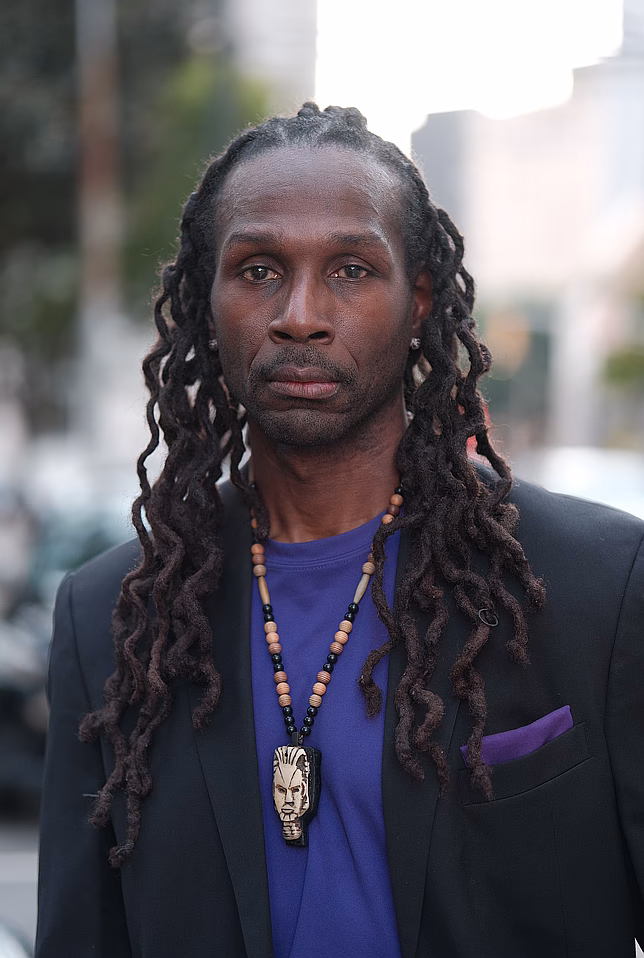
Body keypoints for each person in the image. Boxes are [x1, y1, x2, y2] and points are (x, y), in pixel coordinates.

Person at [36, 103, 644, 958]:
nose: (301, 314)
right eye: (258, 270)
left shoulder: (598, 585)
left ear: (418, 301)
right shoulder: (110, 620)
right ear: (207, 301)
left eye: (352, 270)